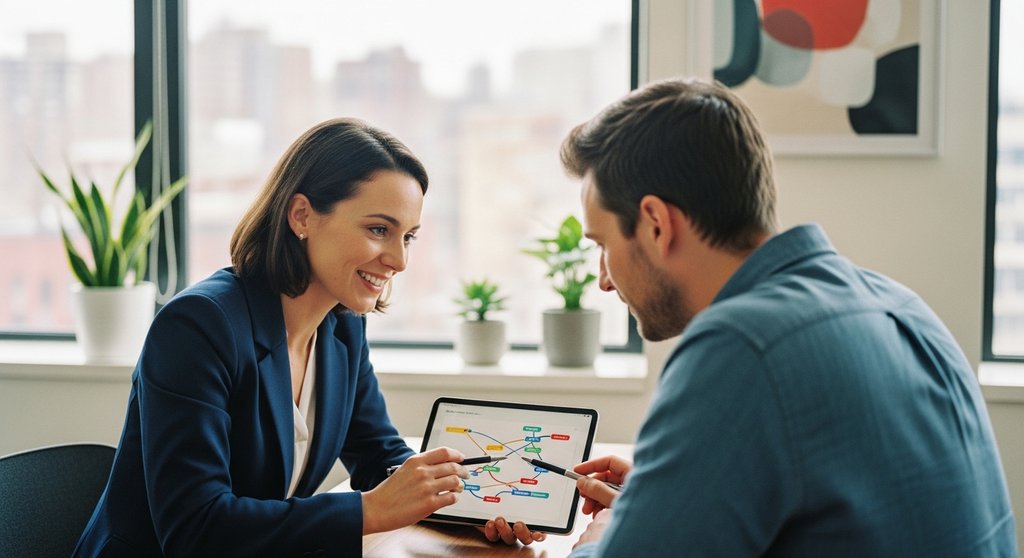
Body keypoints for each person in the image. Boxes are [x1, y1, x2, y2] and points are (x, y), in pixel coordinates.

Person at [559, 78, 1017, 557]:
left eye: (603, 246)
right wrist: (670, 501)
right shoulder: (901, 306)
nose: (604, 280)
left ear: (656, 224)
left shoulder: (741, 347)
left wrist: (601, 540)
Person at [73, 118, 543, 557]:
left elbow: (378, 455)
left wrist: (469, 509)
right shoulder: (199, 326)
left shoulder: (341, 327)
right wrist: (371, 510)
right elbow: (195, 526)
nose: (399, 261)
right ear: (301, 215)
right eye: (379, 229)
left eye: (409, 237)